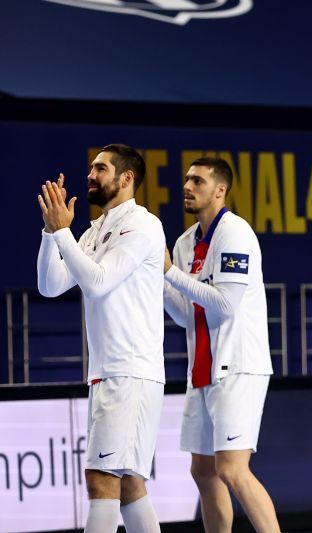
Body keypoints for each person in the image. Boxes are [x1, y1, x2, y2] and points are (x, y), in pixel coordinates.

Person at [37, 145, 166, 533]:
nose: (91, 174)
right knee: (128, 487)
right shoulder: (95, 229)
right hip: (110, 373)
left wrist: (63, 232)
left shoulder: (142, 225)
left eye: (101, 168)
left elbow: (96, 283)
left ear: (126, 178)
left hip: (129, 372)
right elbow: (50, 285)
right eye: (91, 167)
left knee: (101, 480)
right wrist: (50, 233)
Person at [162, 157, 280, 533]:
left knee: (231, 468)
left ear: (220, 189)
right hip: (202, 371)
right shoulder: (184, 243)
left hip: (238, 366)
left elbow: (226, 304)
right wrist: (162, 282)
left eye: (197, 180)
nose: (187, 186)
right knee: (203, 471)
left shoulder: (235, 234)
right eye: (186, 179)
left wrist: (170, 273)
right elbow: (185, 314)